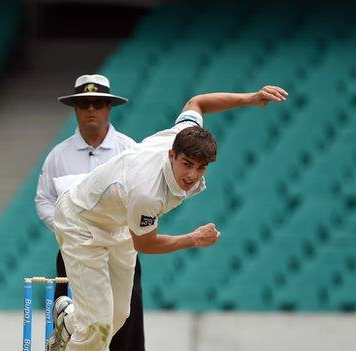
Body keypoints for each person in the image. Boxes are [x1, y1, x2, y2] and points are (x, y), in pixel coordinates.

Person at [47, 85, 289, 351]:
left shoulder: (181, 135)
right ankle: (68, 336)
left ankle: (68, 320)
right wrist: (194, 239)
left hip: (118, 221)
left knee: (119, 316)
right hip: (81, 221)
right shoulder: (147, 192)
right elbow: (145, 245)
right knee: (98, 327)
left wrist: (251, 98)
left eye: (201, 168)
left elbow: (197, 103)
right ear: (171, 155)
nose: (192, 176)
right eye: (187, 164)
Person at [35, 74, 145, 350]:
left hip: (119, 251)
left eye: (98, 103)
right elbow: (44, 200)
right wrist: (68, 229)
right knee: (75, 326)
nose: (91, 110)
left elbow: (142, 198)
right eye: (85, 104)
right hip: (75, 252)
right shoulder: (59, 155)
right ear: (76, 109)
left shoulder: (129, 150)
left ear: (109, 108)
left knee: (124, 325)